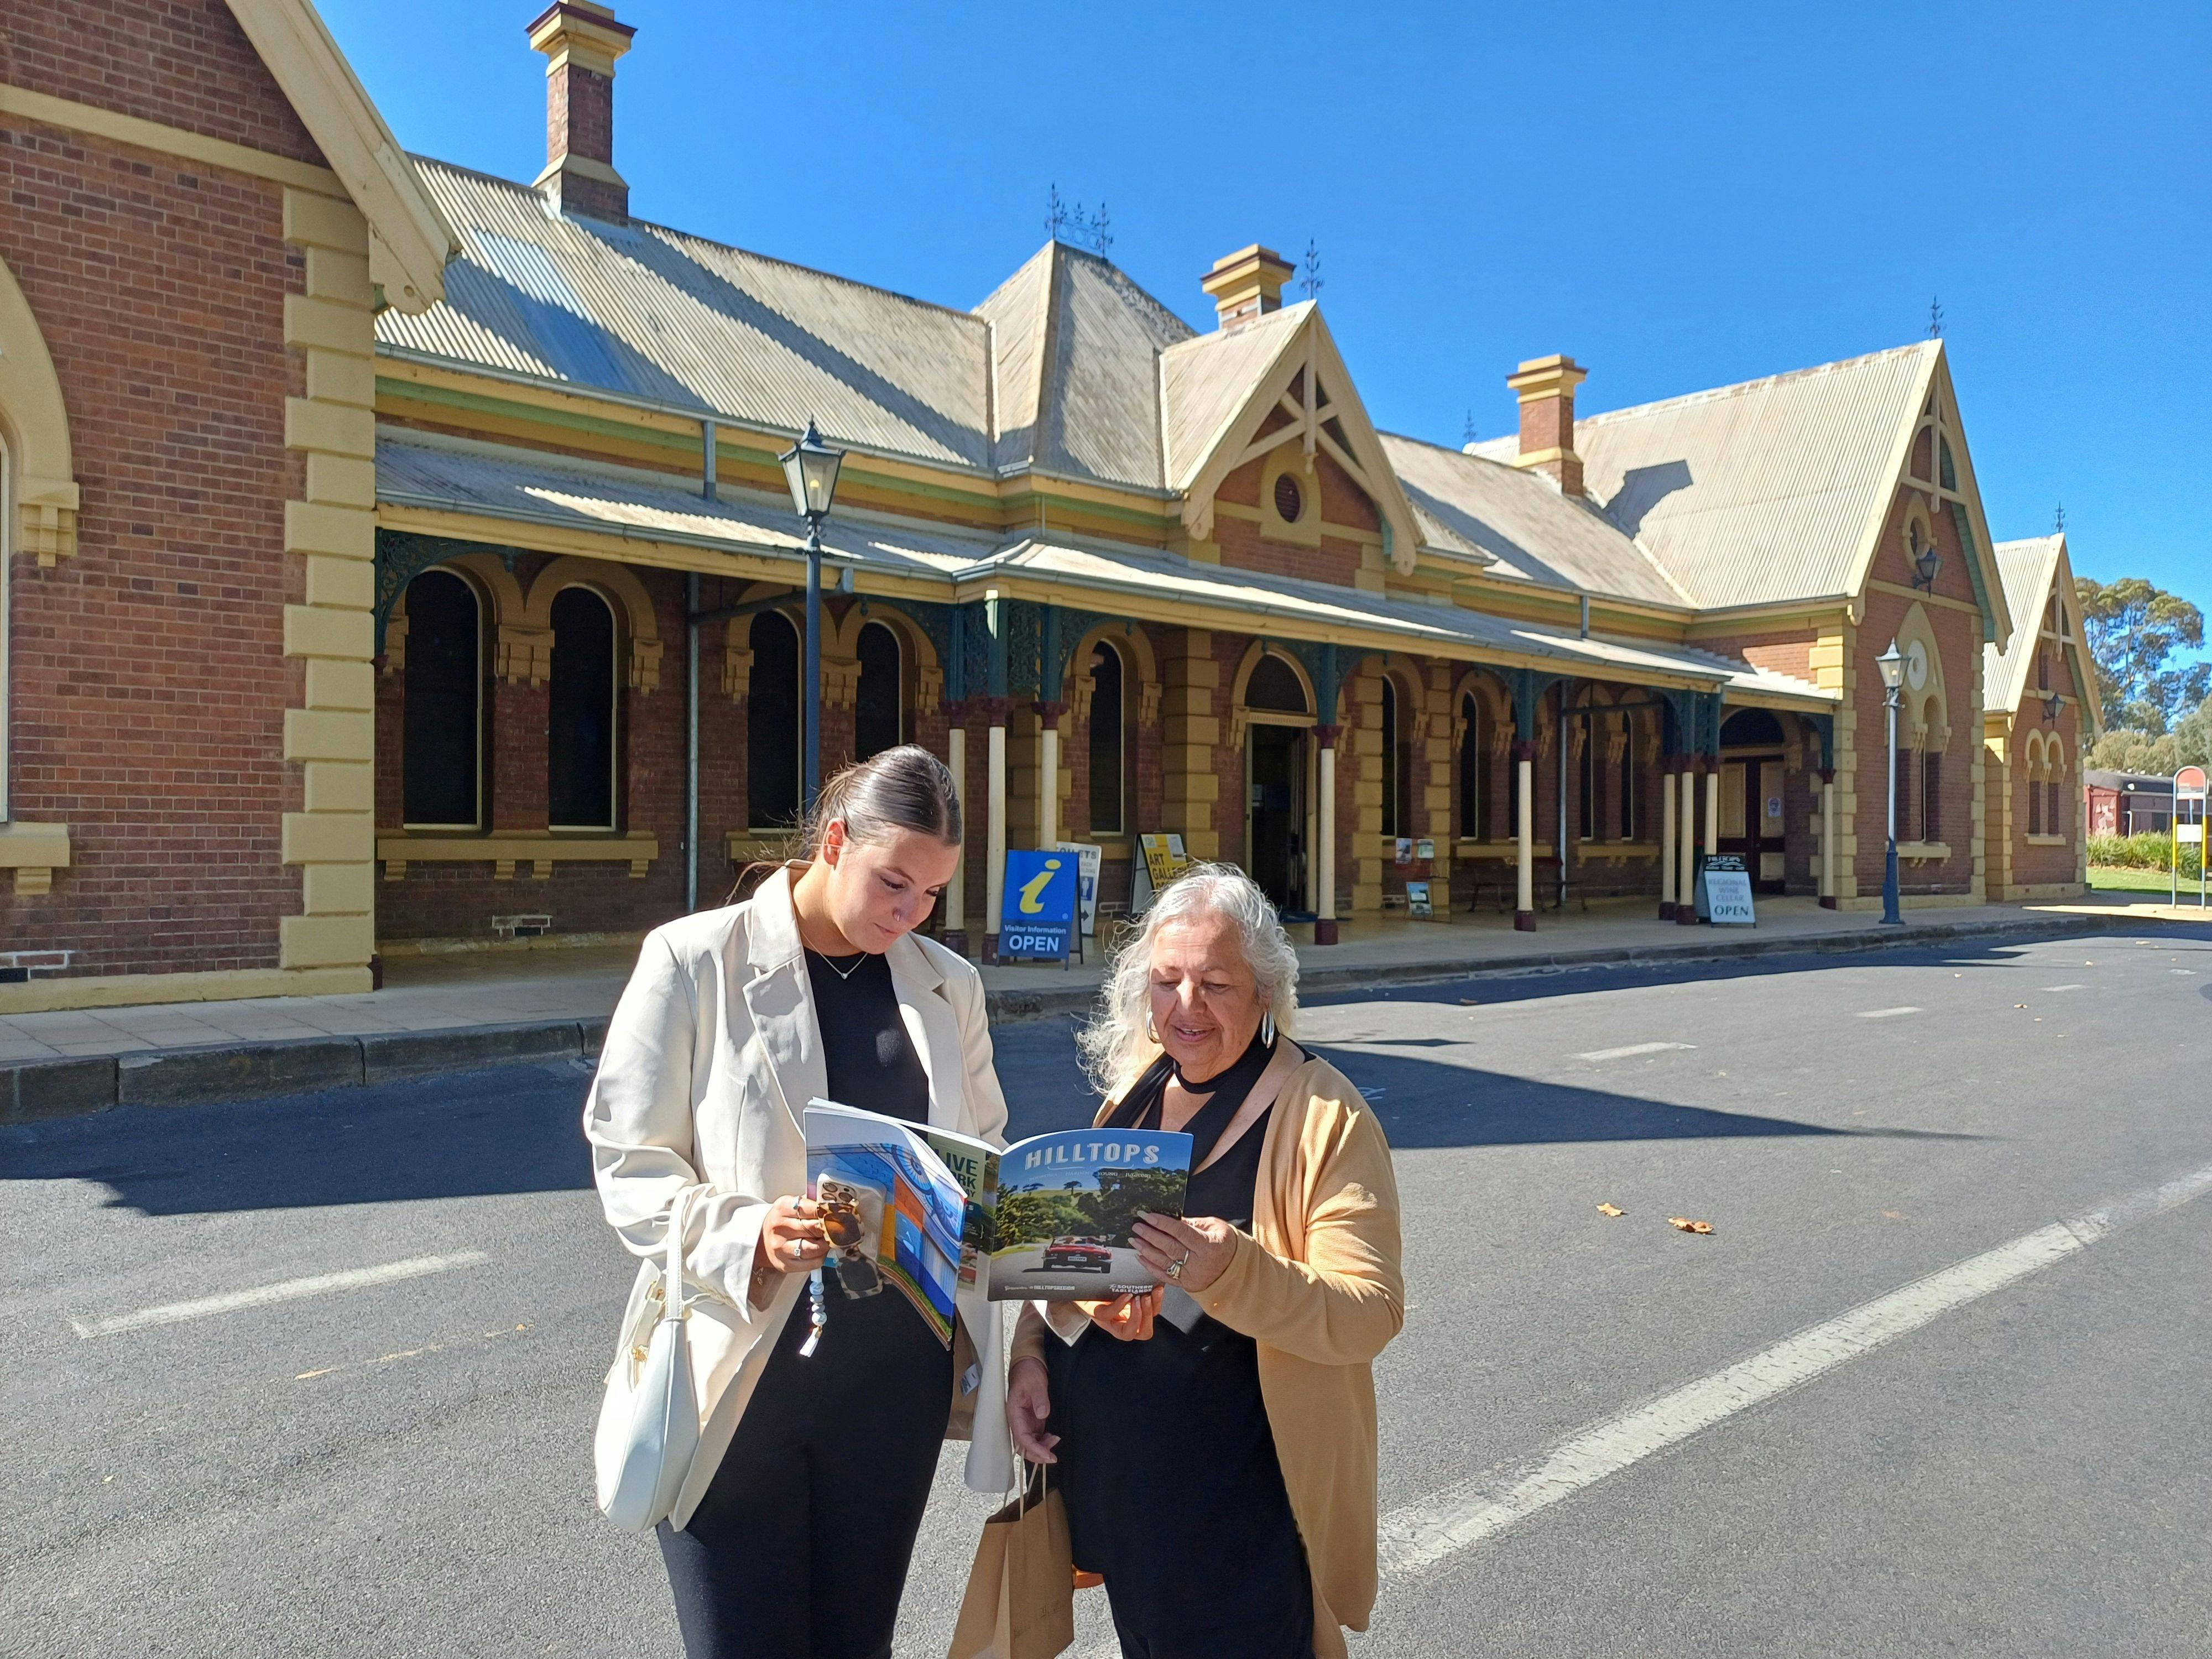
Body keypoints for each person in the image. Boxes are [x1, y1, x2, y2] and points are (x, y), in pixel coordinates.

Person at [583, 744, 1010, 1659]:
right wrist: (751, 1234)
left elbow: (984, 1153)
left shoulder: (949, 985)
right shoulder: (694, 959)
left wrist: (1041, 1223)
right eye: (893, 883)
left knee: (858, 1644)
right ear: (835, 842)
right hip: (745, 1375)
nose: (909, 914)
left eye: (932, 894)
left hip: (895, 1379)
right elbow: (629, 1161)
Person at [1005, 864, 1405, 1659]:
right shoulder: (1135, 1093)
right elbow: (1071, 1268)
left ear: (1265, 993)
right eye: (1167, 981)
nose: (1186, 1006)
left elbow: (1370, 1312)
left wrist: (1233, 1271)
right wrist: (1031, 1358)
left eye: (1215, 984)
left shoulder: (1324, 1115)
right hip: (1122, 1504)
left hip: (1236, 1524)